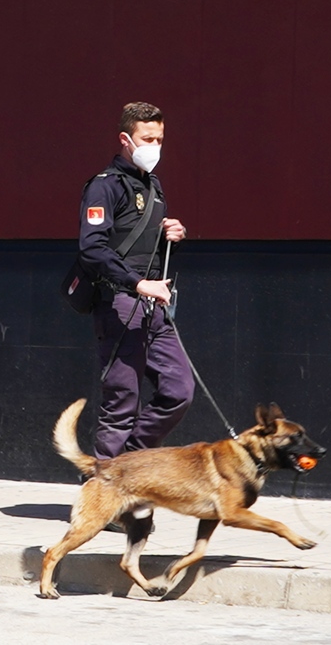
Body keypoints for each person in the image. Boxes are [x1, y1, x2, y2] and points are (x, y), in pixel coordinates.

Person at [78, 101, 194, 463]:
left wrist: (170, 234)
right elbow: (92, 249)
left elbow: (139, 243)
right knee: (121, 403)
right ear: (125, 139)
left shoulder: (153, 185)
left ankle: (126, 465)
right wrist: (138, 284)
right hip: (120, 305)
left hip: (155, 306)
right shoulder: (104, 187)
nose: (154, 147)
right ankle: (109, 495)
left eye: (159, 139)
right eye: (147, 139)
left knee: (180, 391)